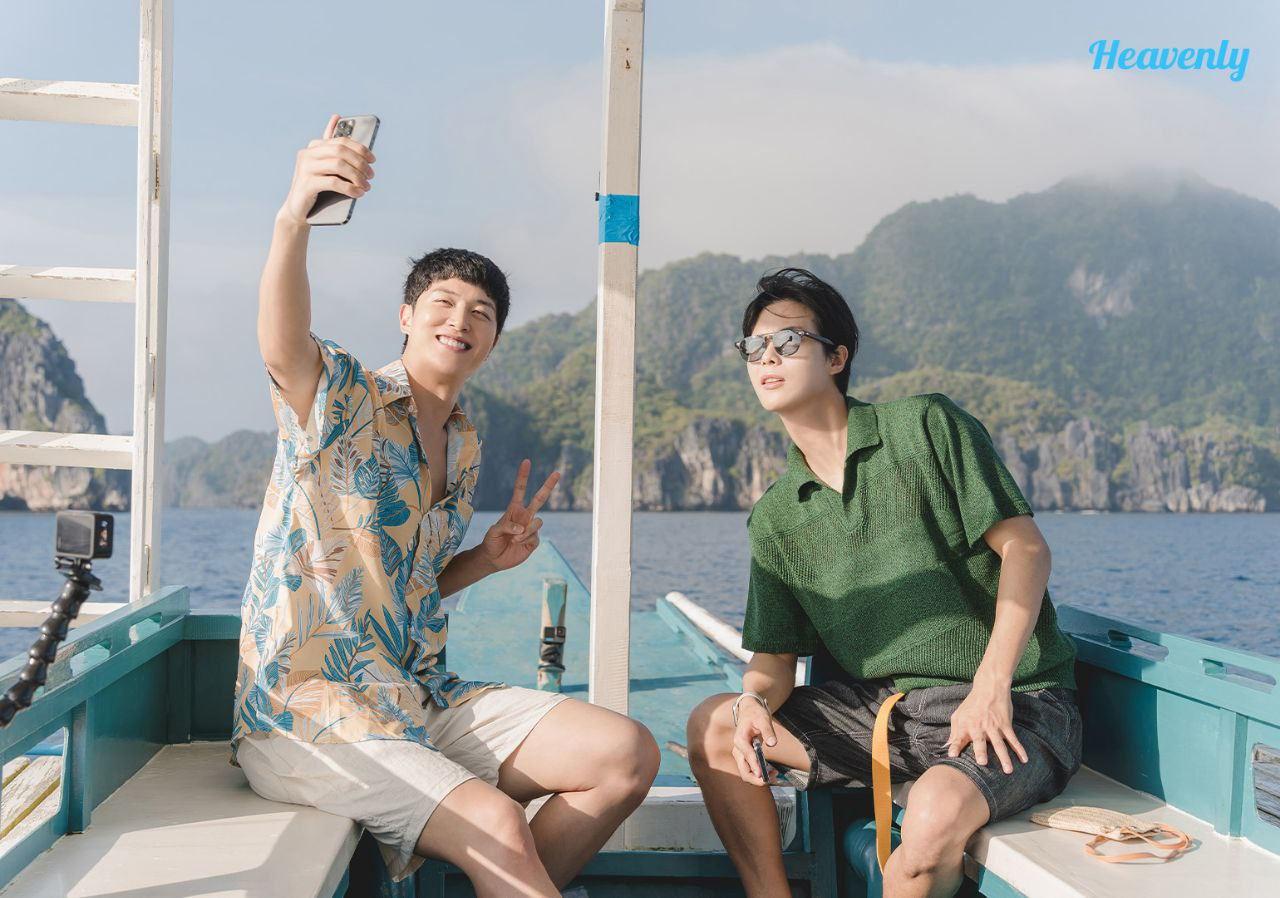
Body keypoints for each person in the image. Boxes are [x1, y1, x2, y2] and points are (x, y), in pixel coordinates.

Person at [233, 115, 659, 896]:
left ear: (493, 341)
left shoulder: (462, 444)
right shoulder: (343, 399)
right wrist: (293, 217)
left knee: (625, 754)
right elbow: (281, 345)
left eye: (481, 312)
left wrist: (485, 561)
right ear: (406, 317)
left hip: (417, 694)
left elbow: (412, 584)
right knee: (496, 822)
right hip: (310, 708)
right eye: (443, 301)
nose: (460, 319)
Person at [686, 268, 1081, 898]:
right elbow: (774, 660)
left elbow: (1026, 550)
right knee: (714, 723)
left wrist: (991, 685)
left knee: (929, 824)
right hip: (890, 716)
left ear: (837, 357)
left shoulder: (925, 427)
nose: (767, 358)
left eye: (787, 342)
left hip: (1015, 704)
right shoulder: (777, 516)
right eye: (754, 347)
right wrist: (753, 702)